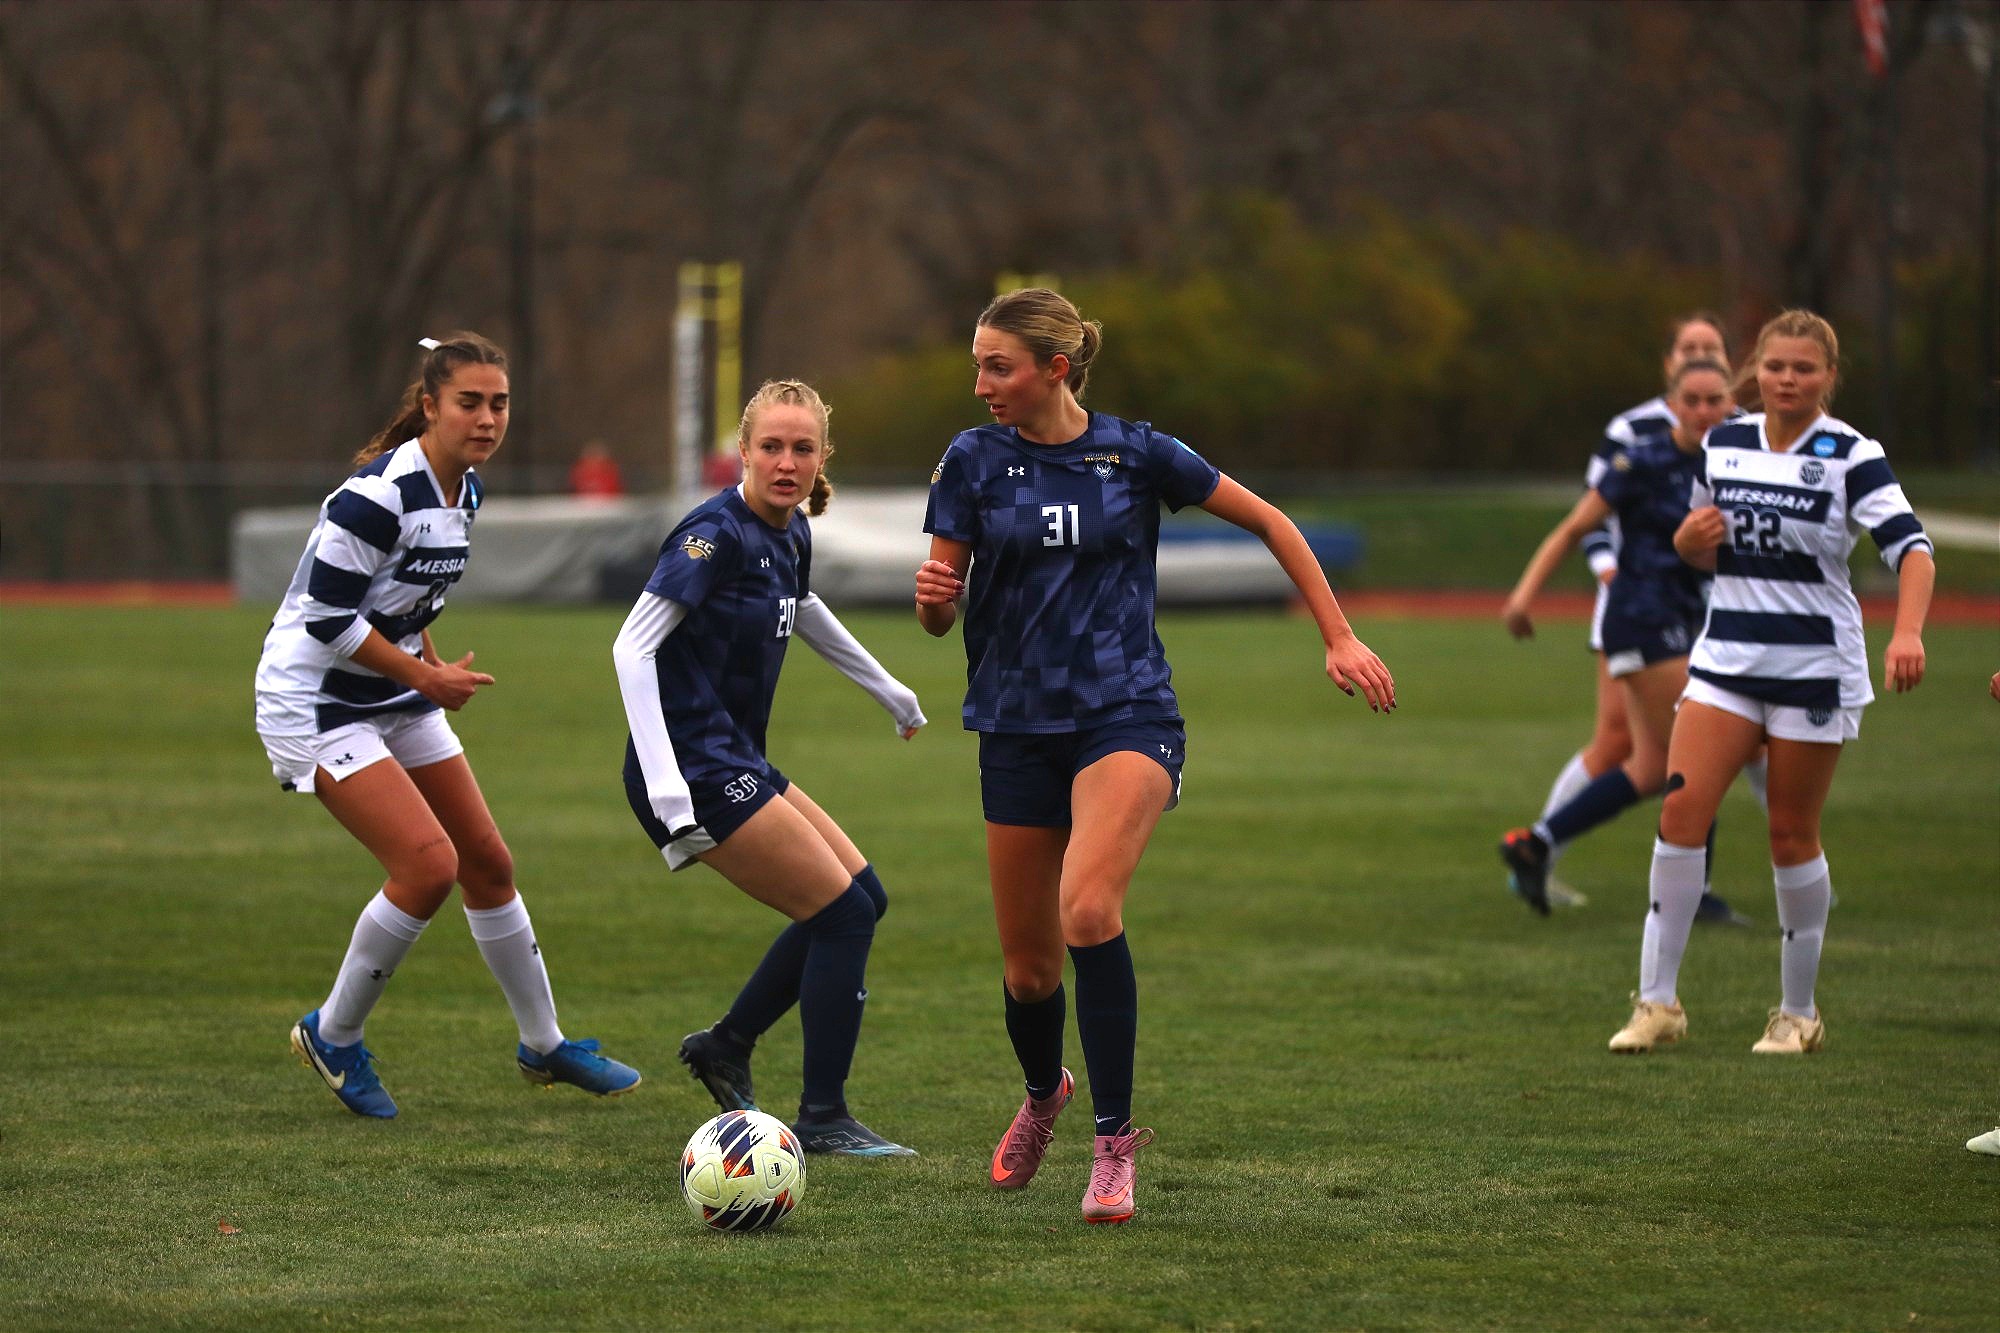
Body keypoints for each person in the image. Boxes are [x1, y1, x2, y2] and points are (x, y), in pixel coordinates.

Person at [915, 288, 1395, 1224]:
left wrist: (1337, 635)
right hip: (1014, 724)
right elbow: (939, 614)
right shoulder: (971, 461)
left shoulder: (1136, 453)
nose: (980, 385)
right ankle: (1044, 1093)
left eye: (997, 366)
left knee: (1088, 907)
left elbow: (1273, 523)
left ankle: (1113, 1142)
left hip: (1126, 714)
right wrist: (934, 594)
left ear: (1056, 367)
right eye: (976, 364)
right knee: (1028, 971)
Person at [261, 332, 640, 1119]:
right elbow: (328, 619)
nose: (488, 417)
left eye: (499, 403)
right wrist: (426, 677)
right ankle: (333, 1033)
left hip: (390, 687)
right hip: (315, 698)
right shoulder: (374, 496)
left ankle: (544, 1043)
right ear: (429, 406)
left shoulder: (464, 491)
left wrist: (424, 659)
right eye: (469, 402)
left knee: (487, 862)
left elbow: (405, 597)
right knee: (428, 866)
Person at [1606, 310, 1933, 1055]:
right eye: (1777, 366)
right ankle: (1657, 1003)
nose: (1788, 379)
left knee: (1790, 833)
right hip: (1725, 660)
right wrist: (1689, 543)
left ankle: (1797, 1011)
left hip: (1813, 666)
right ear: (1755, 370)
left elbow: (1912, 549)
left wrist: (1907, 630)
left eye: (1804, 368)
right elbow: (1699, 544)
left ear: (1828, 376)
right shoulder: (1724, 442)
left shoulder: (1852, 453)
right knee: (1680, 816)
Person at [614, 379, 926, 1157]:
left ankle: (726, 1043)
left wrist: (885, 685)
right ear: (744, 451)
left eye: (803, 448)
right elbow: (631, 645)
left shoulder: (790, 532)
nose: (786, 462)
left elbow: (802, 606)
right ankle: (823, 1115)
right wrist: (664, 781)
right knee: (842, 914)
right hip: (689, 766)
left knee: (863, 898)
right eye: (771, 447)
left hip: (733, 755)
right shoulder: (712, 534)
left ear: (822, 457)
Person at [1496, 359, 1751, 915]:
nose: (1705, 412)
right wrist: (1523, 595)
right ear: (1672, 403)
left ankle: (1535, 845)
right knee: (1702, 751)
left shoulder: (1737, 462)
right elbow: (1575, 526)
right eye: (1693, 401)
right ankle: (1694, 897)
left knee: (1651, 768)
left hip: (1683, 622)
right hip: (1641, 621)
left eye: (1716, 401)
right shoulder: (1641, 459)